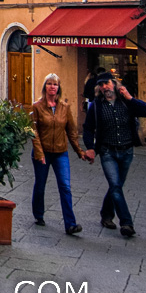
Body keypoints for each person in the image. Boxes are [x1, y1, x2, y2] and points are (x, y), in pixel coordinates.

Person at [82, 73, 146, 238]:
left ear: (114, 84)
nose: (104, 87)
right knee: (115, 185)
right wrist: (90, 148)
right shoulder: (96, 106)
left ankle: (106, 215)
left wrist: (130, 98)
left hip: (127, 151)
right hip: (107, 151)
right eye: (101, 85)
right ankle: (126, 222)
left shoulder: (126, 102)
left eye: (106, 83)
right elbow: (87, 128)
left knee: (117, 186)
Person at [30, 73, 85, 235]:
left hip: (61, 152)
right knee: (40, 185)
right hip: (43, 152)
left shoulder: (65, 108)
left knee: (65, 187)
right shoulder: (37, 107)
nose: (52, 87)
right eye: (49, 84)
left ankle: (70, 224)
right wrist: (39, 153)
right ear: (44, 87)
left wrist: (79, 151)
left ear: (59, 87)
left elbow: (72, 132)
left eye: (55, 84)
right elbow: (34, 132)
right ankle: (38, 214)